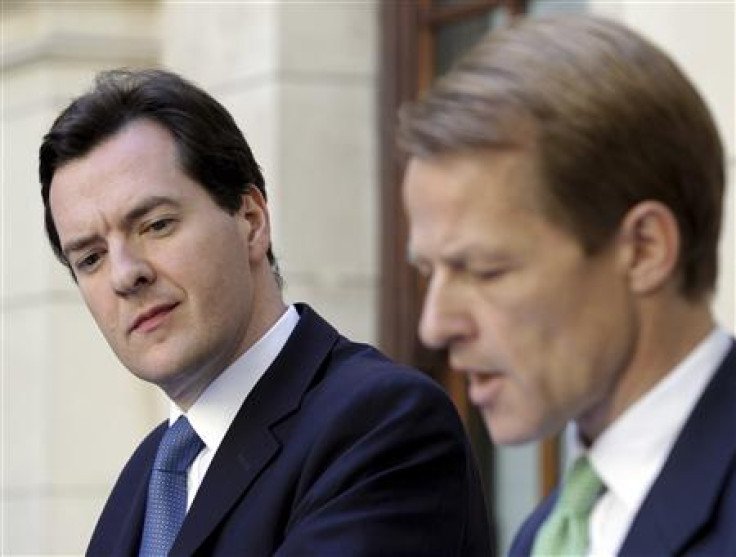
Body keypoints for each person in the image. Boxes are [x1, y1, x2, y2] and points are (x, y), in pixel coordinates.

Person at [40, 69, 493, 556]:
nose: (124, 275)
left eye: (156, 225)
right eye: (90, 258)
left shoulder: (382, 424)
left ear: (251, 221)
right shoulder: (143, 479)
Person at [400, 14, 735, 557]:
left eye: (485, 271)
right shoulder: (548, 533)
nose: (434, 326)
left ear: (646, 248)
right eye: (428, 272)